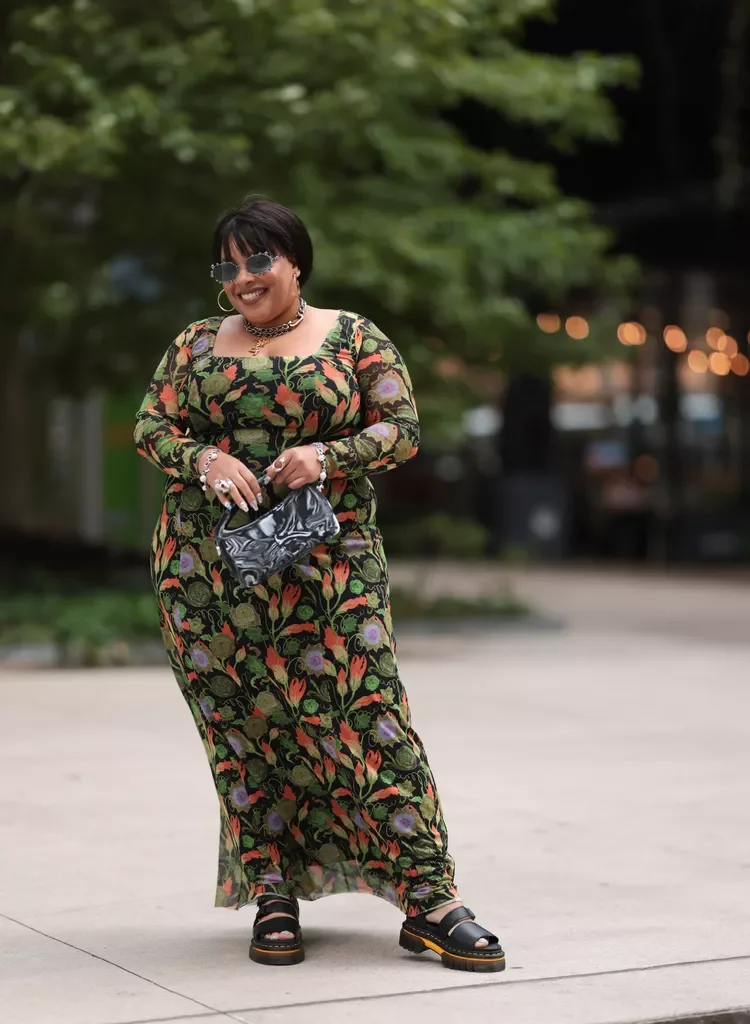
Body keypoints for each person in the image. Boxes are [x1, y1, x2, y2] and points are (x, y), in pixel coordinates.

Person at [134, 197, 504, 971]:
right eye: (228, 265)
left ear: (295, 260)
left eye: (258, 259)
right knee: (243, 730)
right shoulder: (196, 344)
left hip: (329, 565)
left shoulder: (354, 337)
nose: (242, 278)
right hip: (206, 570)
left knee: (370, 719)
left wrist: (326, 456)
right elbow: (151, 427)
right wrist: (205, 458)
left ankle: (431, 899)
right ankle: (272, 892)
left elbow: (401, 430)